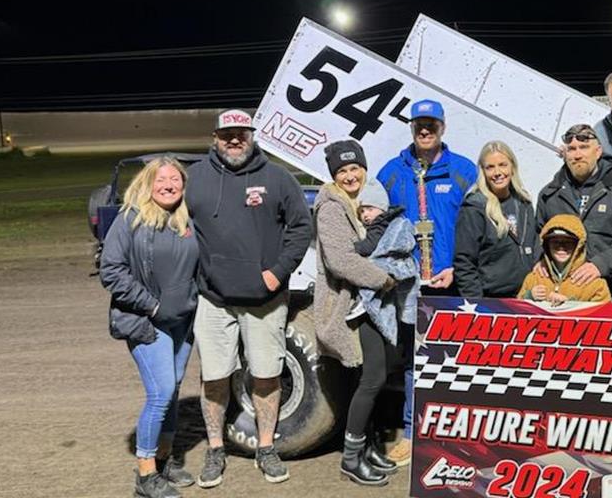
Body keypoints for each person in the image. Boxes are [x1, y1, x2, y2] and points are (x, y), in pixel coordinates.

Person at [185, 109, 313, 488]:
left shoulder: (277, 177)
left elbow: (301, 227)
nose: (235, 140)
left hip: (265, 300)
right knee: (215, 377)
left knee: (266, 375)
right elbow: (173, 222)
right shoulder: (197, 178)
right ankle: (214, 448)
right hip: (214, 299)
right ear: (215, 138)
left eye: (242, 133)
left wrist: (277, 273)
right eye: (227, 135)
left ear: (252, 136)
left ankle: (267, 447)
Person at [376, 99, 477, 465]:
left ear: (442, 127)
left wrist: (456, 268)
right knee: (414, 361)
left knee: (458, 360)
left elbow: (476, 227)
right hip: (409, 287)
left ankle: (456, 433)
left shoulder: (464, 171)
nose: (425, 129)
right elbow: (377, 226)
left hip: (452, 282)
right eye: (419, 123)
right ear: (412, 127)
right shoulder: (390, 172)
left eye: (431, 123)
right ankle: (412, 432)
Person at [99, 156, 198, 498]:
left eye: (175, 179)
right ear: (147, 183)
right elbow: (111, 271)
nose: (168, 184)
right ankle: (145, 476)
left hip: (184, 323)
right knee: (161, 394)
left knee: (172, 393)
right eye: (161, 179)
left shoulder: (186, 220)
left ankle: (164, 459)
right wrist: (153, 305)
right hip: (146, 322)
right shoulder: (130, 219)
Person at [313, 140, 401, 486]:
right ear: (334, 175)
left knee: (372, 377)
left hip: (367, 304)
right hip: (349, 306)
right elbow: (340, 260)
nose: (350, 176)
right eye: (342, 171)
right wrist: (384, 279)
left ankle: (367, 448)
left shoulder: (362, 203)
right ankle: (351, 458)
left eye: (355, 169)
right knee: (371, 379)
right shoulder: (331, 208)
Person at [535, 123, 612, 302]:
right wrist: (540, 261)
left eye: (584, 147)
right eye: (572, 149)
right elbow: (538, 237)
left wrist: (599, 265)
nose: (577, 154)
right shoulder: (549, 195)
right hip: (561, 294)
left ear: (598, 152)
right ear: (565, 154)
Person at [454, 141, 537, 298]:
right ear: (483, 172)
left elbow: (533, 244)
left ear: (512, 167)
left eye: (502, 165)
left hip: (526, 296)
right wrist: (477, 304)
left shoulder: (524, 202)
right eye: (490, 167)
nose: (497, 172)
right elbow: (464, 262)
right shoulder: (474, 207)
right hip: (492, 299)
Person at [353, 177, 419, 350]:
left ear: (381, 208)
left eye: (369, 209)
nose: (365, 215)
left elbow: (371, 247)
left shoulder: (380, 226)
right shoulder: (379, 223)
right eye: (361, 211)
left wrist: (350, 248)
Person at [518, 214, 610, 304]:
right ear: (547, 245)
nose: (561, 247)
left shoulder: (595, 283)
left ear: (578, 246)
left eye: (568, 242)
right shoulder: (533, 278)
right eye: (555, 242)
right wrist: (529, 296)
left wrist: (569, 304)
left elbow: (602, 314)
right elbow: (516, 309)